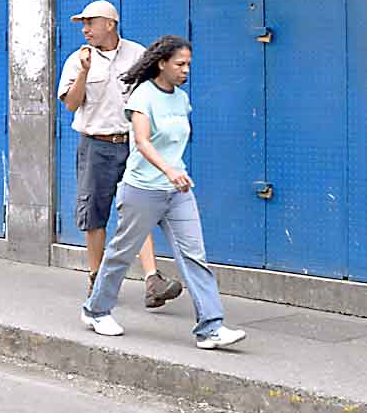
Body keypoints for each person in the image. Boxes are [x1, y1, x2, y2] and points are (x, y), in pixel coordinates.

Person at [82, 36, 247, 349]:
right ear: (162, 63)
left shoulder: (181, 99)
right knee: (121, 254)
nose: (186, 70)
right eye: (179, 64)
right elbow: (142, 142)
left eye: (188, 65)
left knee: (195, 256)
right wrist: (168, 169)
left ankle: (210, 328)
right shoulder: (143, 96)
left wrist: (175, 172)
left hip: (177, 191)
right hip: (142, 190)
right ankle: (96, 310)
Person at [58, 0, 182, 308]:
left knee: (139, 209)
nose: (85, 29)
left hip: (131, 143)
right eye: (82, 24)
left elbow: (154, 95)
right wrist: (85, 73)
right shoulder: (77, 59)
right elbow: (71, 104)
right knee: (94, 213)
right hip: (95, 145)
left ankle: (152, 280)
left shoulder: (137, 54)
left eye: (90, 23)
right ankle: (97, 277)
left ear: (110, 24)